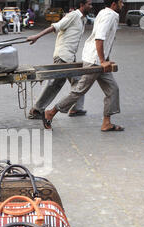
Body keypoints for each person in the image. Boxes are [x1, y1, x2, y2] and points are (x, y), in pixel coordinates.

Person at [41, 0, 124, 132]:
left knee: (113, 89)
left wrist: (106, 60)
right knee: (79, 90)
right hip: (95, 60)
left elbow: (104, 40)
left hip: (97, 58)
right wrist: (103, 60)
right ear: (114, 3)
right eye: (121, 2)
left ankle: (106, 123)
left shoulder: (103, 13)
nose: (123, 5)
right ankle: (51, 112)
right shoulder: (110, 15)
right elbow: (99, 38)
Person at [27, 0, 93, 120]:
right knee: (55, 84)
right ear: (82, 5)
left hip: (70, 58)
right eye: (89, 4)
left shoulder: (82, 19)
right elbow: (55, 27)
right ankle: (36, 110)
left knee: (78, 81)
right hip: (63, 56)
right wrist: (37, 36)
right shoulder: (73, 16)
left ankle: (76, 108)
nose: (91, 6)